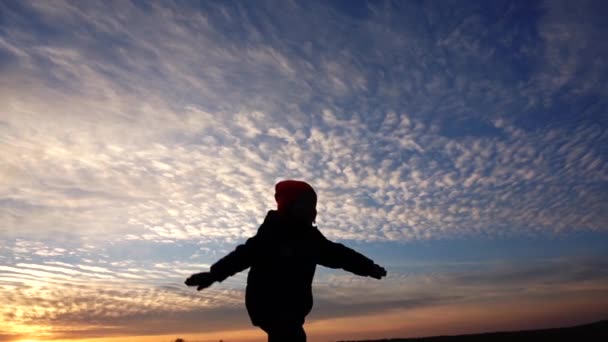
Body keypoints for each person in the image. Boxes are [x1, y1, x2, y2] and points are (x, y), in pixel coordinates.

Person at [185, 180, 387, 342]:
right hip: (268, 304)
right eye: (304, 204)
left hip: (294, 308)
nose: (310, 209)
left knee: (292, 334)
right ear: (290, 206)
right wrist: (214, 274)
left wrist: (368, 267)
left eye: (312, 205)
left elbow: (339, 254)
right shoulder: (271, 234)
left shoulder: (311, 239)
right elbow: (242, 256)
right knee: (290, 336)